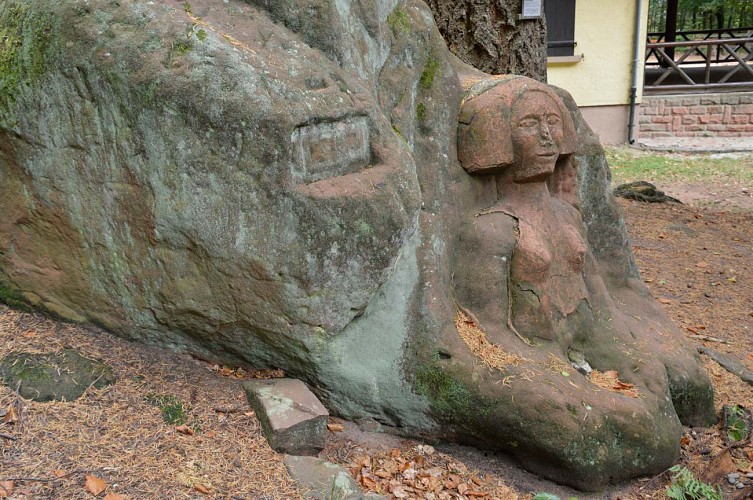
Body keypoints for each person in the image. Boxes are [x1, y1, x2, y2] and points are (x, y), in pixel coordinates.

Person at [455, 77, 595, 344]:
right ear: (499, 137)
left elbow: (601, 303)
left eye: (553, 121)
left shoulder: (568, 216)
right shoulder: (491, 229)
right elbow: (491, 331)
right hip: (534, 355)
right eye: (529, 124)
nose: (546, 135)